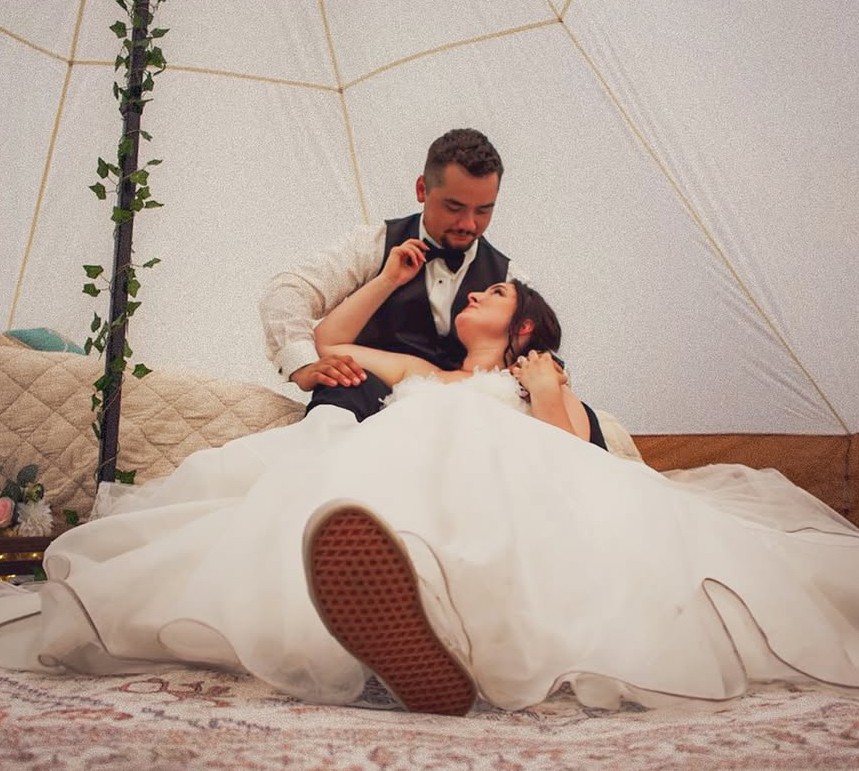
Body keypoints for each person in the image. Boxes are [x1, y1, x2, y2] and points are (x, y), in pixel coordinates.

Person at [2, 268, 859, 720]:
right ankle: (399, 602)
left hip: (515, 511)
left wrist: (548, 383)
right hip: (396, 486)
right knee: (390, 435)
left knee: (459, 428)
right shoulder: (421, 370)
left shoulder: (535, 381)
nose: (476, 291)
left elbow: (580, 468)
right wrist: (390, 275)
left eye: (496, 294)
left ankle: (432, 625)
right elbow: (332, 338)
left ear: (522, 328)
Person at [257, 128, 611, 444]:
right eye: (454, 207)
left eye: (484, 211)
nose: (469, 224)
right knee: (349, 384)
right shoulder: (374, 243)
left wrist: (547, 382)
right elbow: (289, 291)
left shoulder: (509, 277)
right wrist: (302, 364)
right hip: (377, 397)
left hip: (472, 417)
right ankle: (326, 488)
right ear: (422, 190)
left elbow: (536, 352)